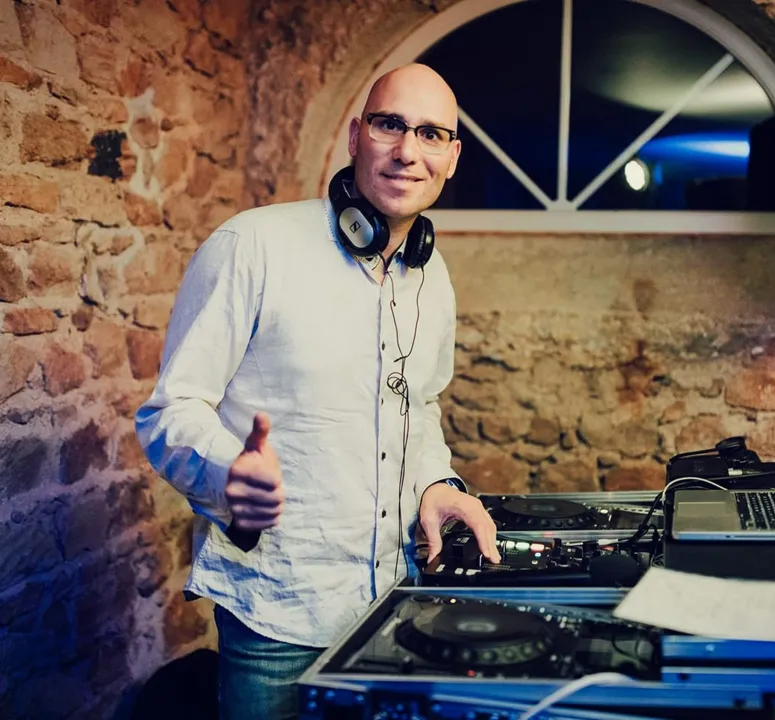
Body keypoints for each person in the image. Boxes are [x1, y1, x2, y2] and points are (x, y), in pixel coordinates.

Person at [135, 63, 501, 720]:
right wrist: (228, 474)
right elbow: (171, 411)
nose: (407, 151)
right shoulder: (252, 244)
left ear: (452, 157)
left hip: (395, 605)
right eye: (390, 125)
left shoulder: (431, 274)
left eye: (430, 134)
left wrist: (435, 484)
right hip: (278, 614)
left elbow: (418, 406)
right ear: (356, 136)